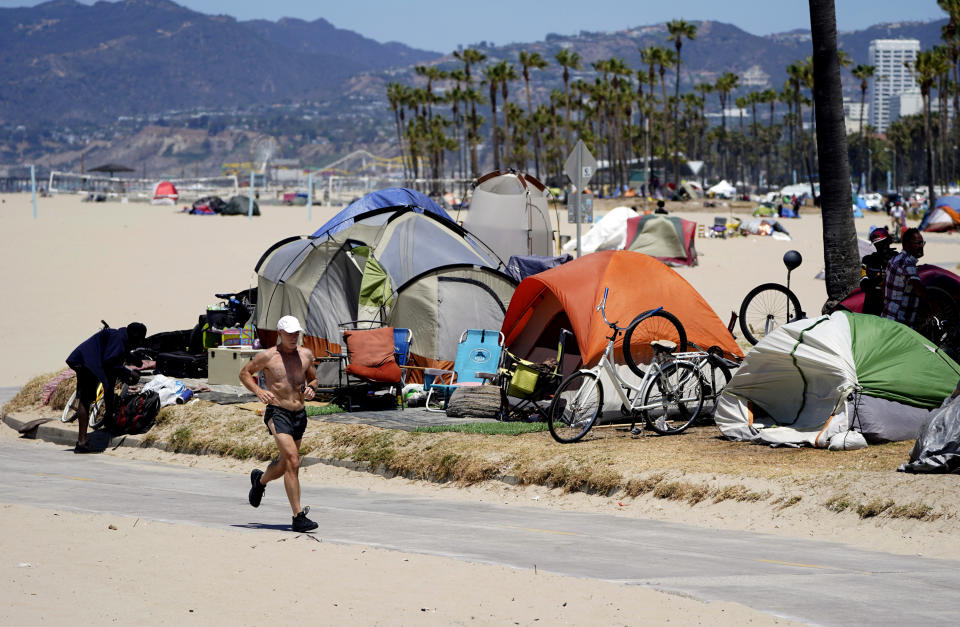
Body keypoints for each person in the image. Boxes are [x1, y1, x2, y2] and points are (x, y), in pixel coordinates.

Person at [239, 315, 320, 532]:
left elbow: (313, 379)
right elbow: (244, 373)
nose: (294, 337)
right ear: (280, 334)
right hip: (278, 412)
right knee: (293, 460)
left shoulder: (306, 355)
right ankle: (298, 517)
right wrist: (259, 390)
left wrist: (311, 388)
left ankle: (260, 481)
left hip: (299, 414)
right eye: (289, 334)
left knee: (286, 464)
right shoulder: (267, 356)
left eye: (297, 334)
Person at [66, 322, 146, 453]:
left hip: (89, 361)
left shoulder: (121, 336)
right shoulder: (119, 340)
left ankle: (108, 420)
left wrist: (136, 360)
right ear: (134, 337)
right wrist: (129, 372)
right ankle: (81, 443)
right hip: (86, 363)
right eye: (139, 340)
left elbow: (120, 353)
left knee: (108, 386)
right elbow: (110, 361)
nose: (138, 344)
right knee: (85, 400)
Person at [881, 228, 928, 330]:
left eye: (922, 243)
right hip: (900, 324)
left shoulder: (894, 259)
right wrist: (933, 305)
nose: (921, 246)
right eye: (918, 243)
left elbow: (883, 286)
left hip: (888, 316)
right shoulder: (907, 264)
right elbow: (919, 290)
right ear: (906, 244)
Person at [860, 227, 898, 316]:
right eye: (877, 245)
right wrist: (876, 279)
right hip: (872, 303)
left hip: (893, 304)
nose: (880, 247)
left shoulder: (898, 259)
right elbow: (863, 283)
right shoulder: (868, 260)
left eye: (883, 244)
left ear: (888, 242)